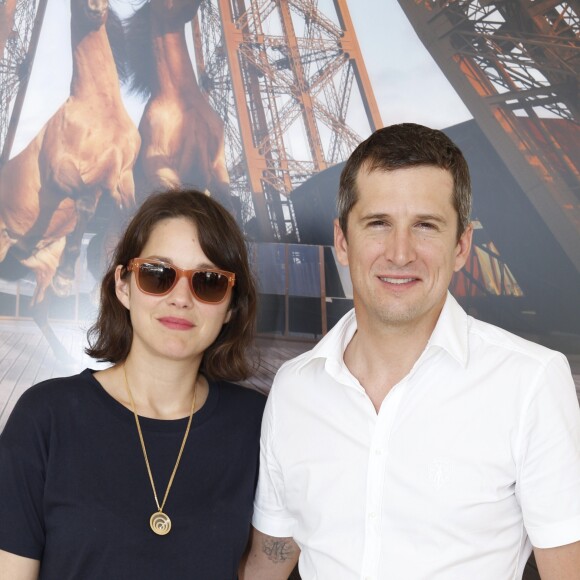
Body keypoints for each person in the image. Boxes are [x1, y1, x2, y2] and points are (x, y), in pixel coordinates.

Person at [241, 123, 580, 579]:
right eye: (378, 224)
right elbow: (270, 559)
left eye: (425, 225)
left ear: (461, 246)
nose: (400, 253)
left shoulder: (531, 381)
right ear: (343, 241)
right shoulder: (294, 388)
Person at [0, 188, 266, 579]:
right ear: (123, 285)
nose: (180, 298)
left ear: (230, 306)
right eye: (158, 275)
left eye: (208, 281)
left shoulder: (257, 424)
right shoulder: (46, 417)